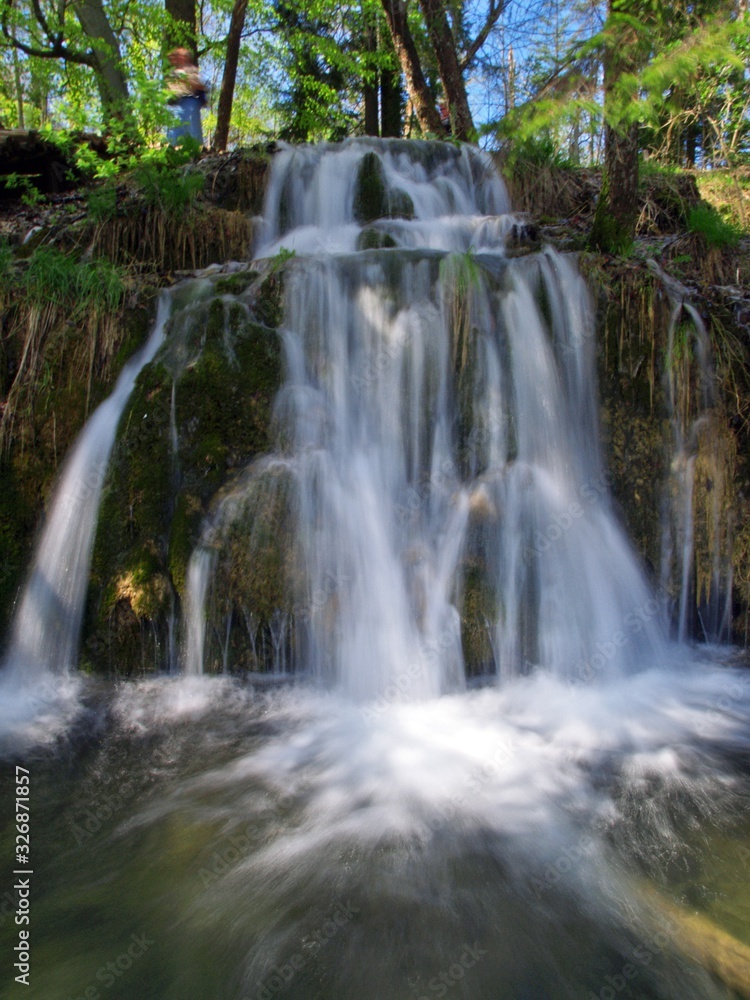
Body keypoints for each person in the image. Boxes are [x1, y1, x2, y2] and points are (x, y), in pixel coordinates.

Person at [166, 47, 206, 146]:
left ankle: (196, 151)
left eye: (179, 56)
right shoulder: (172, 73)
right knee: (174, 130)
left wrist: (185, 80)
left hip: (189, 101)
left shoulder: (191, 70)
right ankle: (175, 151)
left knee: (192, 128)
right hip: (174, 103)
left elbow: (200, 85)